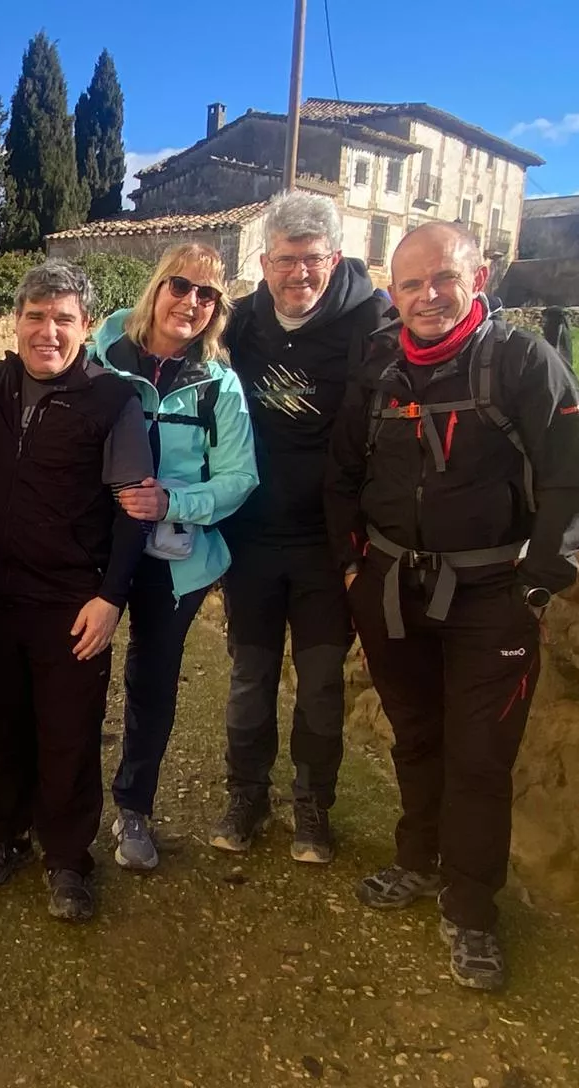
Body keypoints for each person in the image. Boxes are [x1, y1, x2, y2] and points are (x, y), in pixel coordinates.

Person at [326, 221, 579, 991]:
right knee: (415, 735)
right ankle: (417, 861)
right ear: (392, 292)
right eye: (410, 284)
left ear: (477, 277)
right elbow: (342, 476)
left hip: (491, 596)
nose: (427, 296)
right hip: (390, 586)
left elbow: (572, 484)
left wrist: (539, 586)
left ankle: (472, 908)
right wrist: (352, 566)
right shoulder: (379, 368)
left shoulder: (520, 362)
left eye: (442, 278)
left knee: (480, 757)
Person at [0, 261, 153, 921]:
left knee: (69, 733)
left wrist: (111, 598)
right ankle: (3, 831)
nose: (48, 331)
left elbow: (135, 509)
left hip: (72, 604)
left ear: (88, 327)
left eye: (63, 319)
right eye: (35, 317)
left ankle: (68, 858)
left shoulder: (114, 402)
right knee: (0, 724)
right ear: (14, 323)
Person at [210, 191, 388, 862]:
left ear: (334, 258)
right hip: (253, 538)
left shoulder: (371, 321)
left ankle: (313, 807)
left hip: (327, 543)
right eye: (286, 261)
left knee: (318, 684)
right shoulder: (243, 321)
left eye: (312, 260)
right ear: (264, 262)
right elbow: (158, 340)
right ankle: (246, 797)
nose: (299, 275)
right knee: (250, 677)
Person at [96, 244, 257, 871]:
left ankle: (134, 807)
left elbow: (241, 477)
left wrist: (174, 500)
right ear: (156, 287)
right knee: (72, 675)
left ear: (216, 310)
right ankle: (36, 799)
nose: (190, 302)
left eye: (206, 295)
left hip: (175, 558)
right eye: (180, 286)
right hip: (96, 548)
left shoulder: (219, 384)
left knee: (152, 682)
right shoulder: (102, 352)